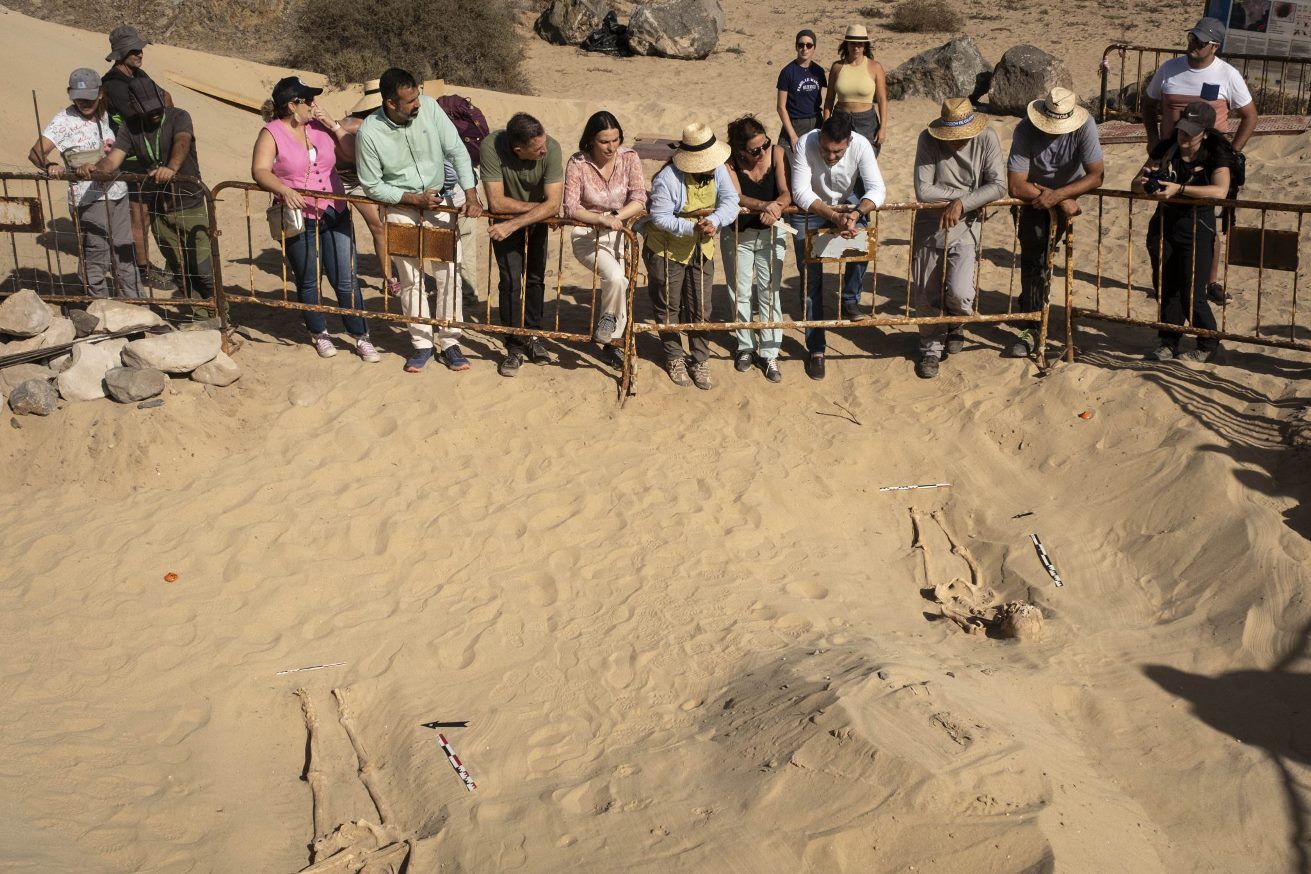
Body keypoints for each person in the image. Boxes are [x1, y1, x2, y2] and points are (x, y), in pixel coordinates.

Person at [356, 67, 482, 373]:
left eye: (417, 96)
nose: (417, 104)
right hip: (402, 207)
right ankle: (422, 344)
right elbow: (372, 185)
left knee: (448, 272)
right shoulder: (369, 132)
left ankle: (450, 341)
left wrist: (471, 195)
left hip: (440, 204)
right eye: (410, 100)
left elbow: (457, 151)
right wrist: (413, 199)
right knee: (410, 276)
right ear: (390, 103)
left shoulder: (431, 110)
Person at [252, 76, 378, 362]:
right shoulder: (271, 132)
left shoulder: (321, 127)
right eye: (307, 100)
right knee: (309, 279)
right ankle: (319, 332)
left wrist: (333, 124)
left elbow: (352, 155)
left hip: (336, 209)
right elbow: (260, 170)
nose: (313, 104)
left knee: (345, 277)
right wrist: (284, 190)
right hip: (300, 214)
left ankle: (360, 335)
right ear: (291, 105)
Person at [1143, 16, 1257, 304]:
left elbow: (1249, 116)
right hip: (1171, 153)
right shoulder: (1169, 69)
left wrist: (1231, 153)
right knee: (1167, 215)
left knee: (1206, 222)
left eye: (1200, 41)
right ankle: (1171, 279)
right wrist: (1154, 140)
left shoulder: (1227, 74)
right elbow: (1148, 103)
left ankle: (1209, 282)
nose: (1192, 44)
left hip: (1208, 157)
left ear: (1214, 46)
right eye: (1191, 38)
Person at [86, 83, 214, 321]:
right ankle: (202, 316)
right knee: (179, 269)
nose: (154, 112)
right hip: (159, 206)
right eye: (147, 109)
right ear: (134, 106)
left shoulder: (179, 116)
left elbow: (182, 143)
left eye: (157, 107)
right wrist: (97, 168)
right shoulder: (130, 127)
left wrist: (172, 168)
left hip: (189, 203)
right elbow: (113, 160)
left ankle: (220, 313)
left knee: (203, 268)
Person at [1005, 87, 1104, 359]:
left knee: (1045, 257)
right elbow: (1015, 184)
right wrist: (1058, 199)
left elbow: (1096, 175)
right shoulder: (1025, 129)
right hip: (1033, 200)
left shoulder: (1084, 126)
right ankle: (1032, 324)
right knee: (1035, 255)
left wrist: (1060, 195)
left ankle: (1033, 307)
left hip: (1061, 194)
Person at [910, 99, 1006, 379]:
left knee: (961, 293)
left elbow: (998, 185)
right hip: (930, 223)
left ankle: (955, 323)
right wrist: (967, 198)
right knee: (926, 293)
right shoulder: (927, 139)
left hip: (967, 224)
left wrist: (964, 204)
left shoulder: (987, 138)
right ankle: (930, 347)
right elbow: (923, 191)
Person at [1132, 101, 1233, 364]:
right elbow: (1134, 184)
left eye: (1190, 131)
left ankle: (1208, 341)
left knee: (1192, 291)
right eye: (1181, 129)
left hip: (1198, 227)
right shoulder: (1167, 147)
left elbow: (1220, 190)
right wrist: (1147, 183)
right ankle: (1169, 341)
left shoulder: (1216, 152)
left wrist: (1179, 189)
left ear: (1206, 132)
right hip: (1164, 224)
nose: (1183, 135)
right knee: (1166, 287)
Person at [641, 123, 739, 390]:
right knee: (668, 306)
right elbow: (660, 217)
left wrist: (716, 220)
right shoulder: (668, 179)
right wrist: (691, 226)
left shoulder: (718, 171)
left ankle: (700, 358)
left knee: (701, 306)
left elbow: (731, 201)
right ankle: (674, 356)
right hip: (666, 250)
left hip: (701, 249)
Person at [29, 68, 142, 299]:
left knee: (124, 252)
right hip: (89, 199)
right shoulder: (63, 121)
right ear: (70, 94)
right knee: (96, 255)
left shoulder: (104, 114)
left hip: (118, 193)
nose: (84, 102)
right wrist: (50, 166)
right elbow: (36, 153)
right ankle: (98, 307)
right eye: (79, 98)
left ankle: (138, 305)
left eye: (90, 97)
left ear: (100, 93)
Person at [788, 113, 885, 381]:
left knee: (862, 243)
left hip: (847, 202)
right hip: (809, 209)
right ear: (820, 137)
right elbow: (801, 192)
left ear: (849, 142)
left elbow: (877, 189)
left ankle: (850, 297)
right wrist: (833, 216)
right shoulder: (805, 143)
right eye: (826, 150)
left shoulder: (862, 145)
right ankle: (816, 349)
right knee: (810, 279)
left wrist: (855, 213)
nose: (831, 157)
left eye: (838, 152)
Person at [480, 113, 565, 378]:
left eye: (544, 144)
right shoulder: (490, 146)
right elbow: (497, 203)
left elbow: (555, 203)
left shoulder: (551, 148)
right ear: (519, 150)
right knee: (509, 281)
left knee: (536, 279)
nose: (544, 150)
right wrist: (541, 211)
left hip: (520, 224)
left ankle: (533, 335)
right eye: (537, 149)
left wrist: (516, 222)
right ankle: (514, 345)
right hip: (504, 222)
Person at [562, 110, 647, 369]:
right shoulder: (578, 163)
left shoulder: (629, 158)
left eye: (615, 140)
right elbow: (570, 207)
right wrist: (600, 220)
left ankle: (613, 343)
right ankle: (609, 322)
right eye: (604, 141)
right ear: (591, 140)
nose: (611, 147)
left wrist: (615, 217)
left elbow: (639, 198)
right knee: (615, 278)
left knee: (623, 286)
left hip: (620, 232)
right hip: (587, 234)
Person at [101, 25, 175, 292]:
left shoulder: (137, 74)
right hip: (128, 157)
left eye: (139, 48)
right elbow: (145, 109)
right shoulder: (114, 84)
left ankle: (145, 264)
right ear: (119, 54)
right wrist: (157, 106)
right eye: (133, 49)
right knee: (138, 215)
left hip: (146, 155)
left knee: (149, 213)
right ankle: (142, 269)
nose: (139, 53)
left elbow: (164, 97)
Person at [721, 114, 791, 383]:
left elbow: (786, 192)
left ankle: (770, 350)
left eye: (764, 145)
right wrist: (764, 206)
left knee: (770, 291)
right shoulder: (728, 163)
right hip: (738, 234)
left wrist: (777, 207)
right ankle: (745, 346)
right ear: (740, 151)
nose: (762, 152)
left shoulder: (778, 154)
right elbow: (735, 196)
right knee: (739, 291)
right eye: (754, 150)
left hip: (772, 233)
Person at [339, 80, 399, 296]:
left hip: (361, 182)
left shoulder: (378, 124)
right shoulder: (353, 125)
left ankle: (390, 279)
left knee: (378, 227)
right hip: (338, 181)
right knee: (342, 230)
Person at [825, 25, 888, 154]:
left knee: (866, 160)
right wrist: (826, 124)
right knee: (840, 161)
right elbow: (829, 98)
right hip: (840, 118)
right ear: (846, 44)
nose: (856, 47)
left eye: (860, 44)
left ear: (865, 46)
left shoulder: (875, 67)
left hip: (866, 122)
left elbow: (882, 99)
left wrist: (883, 127)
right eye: (852, 43)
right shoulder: (837, 67)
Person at [775, 29, 826, 154]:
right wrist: (792, 135)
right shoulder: (787, 72)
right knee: (785, 159)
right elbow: (781, 107)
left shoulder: (819, 71)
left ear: (814, 47)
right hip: (795, 123)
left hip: (816, 122)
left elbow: (824, 100)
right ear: (796, 47)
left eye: (809, 45)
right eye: (801, 45)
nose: (805, 49)